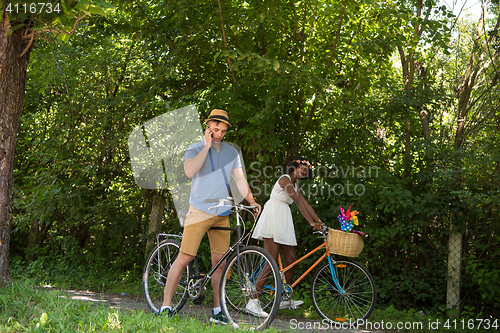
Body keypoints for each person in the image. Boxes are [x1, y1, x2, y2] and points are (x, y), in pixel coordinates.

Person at [159, 109, 261, 324]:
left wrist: (251, 201)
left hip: (222, 213)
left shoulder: (231, 153)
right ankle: (166, 306)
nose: (219, 134)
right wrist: (206, 147)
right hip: (199, 211)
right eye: (216, 129)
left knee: (221, 263)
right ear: (208, 127)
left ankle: (217, 310)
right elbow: (189, 171)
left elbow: (240, 180)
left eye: (223, 131)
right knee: (185, 257)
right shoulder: (195, 148)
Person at [250, 157, 322, 314]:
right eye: (302, 168)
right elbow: (296, 200)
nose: (303, 172)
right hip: (273, 217)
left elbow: (306, 205)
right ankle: (253, 301)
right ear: (294, 168)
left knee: (291, 260)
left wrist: (319, 222)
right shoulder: (285, 179)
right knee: (271, 262)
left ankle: (284, 298)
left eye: (306, 170)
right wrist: (310, 222)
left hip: (283, 219)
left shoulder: (296, 186)